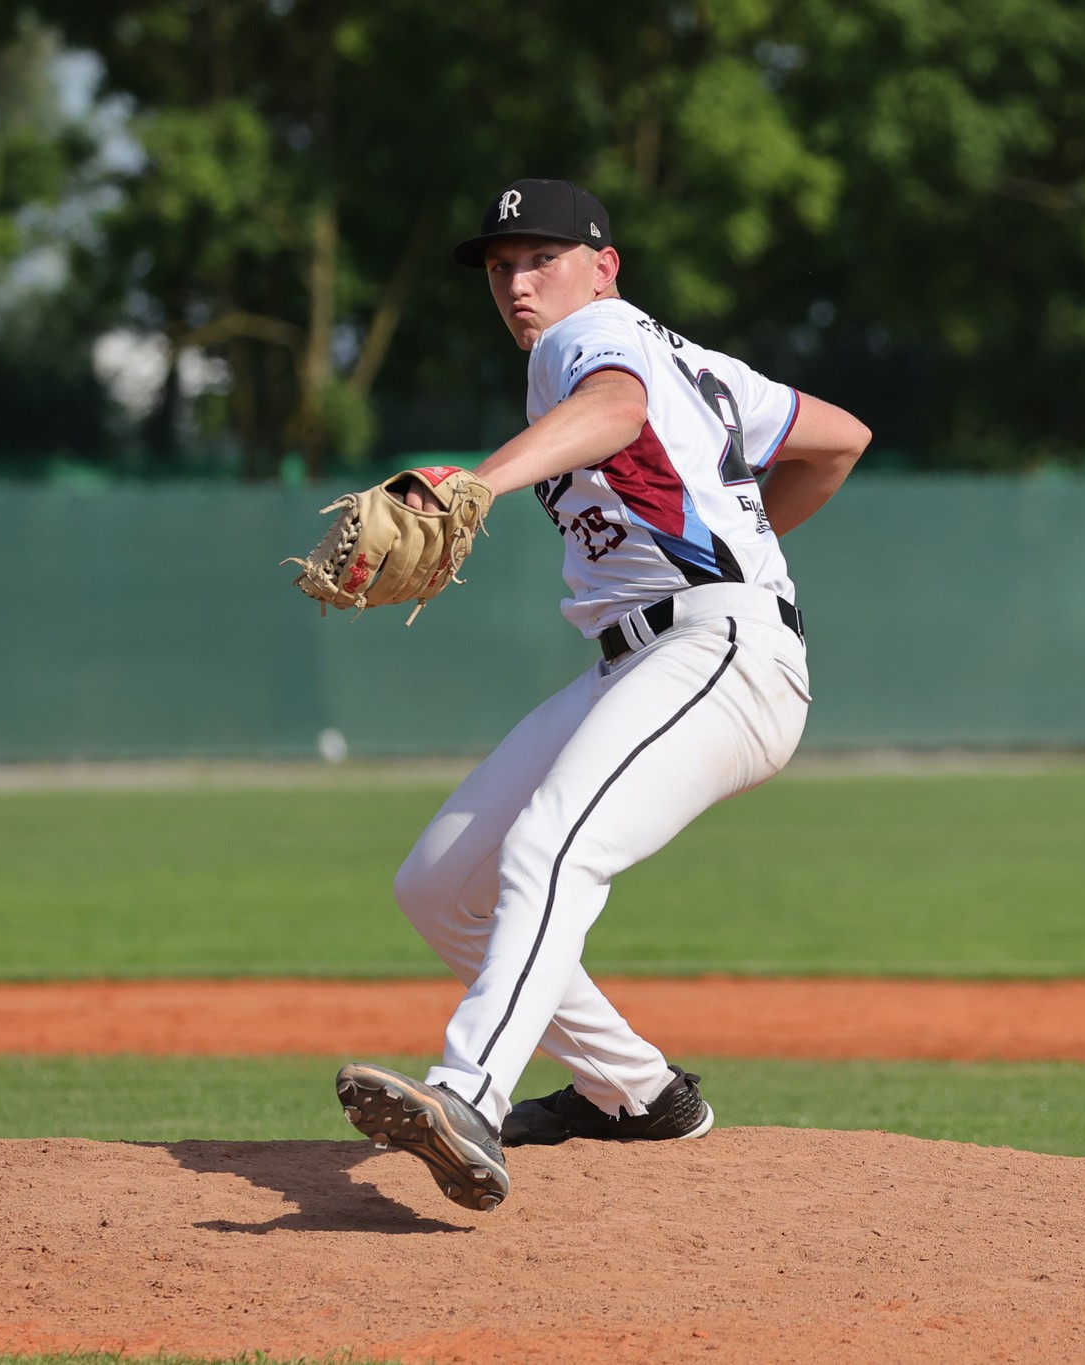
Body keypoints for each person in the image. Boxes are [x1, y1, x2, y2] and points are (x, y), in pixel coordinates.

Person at [335, 178, 871, 1212]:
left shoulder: (585, 342)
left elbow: (614, 408)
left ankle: (466, 1094)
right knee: (441, 881)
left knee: (547, 847)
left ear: (602, 266)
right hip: (653, 657)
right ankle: (635, 1094)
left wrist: (473, 486)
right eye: (499, 266)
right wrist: (744, 535)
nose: (517, 283)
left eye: (539, 258)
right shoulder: (699, 364)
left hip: (716, 651)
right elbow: (839, 437)